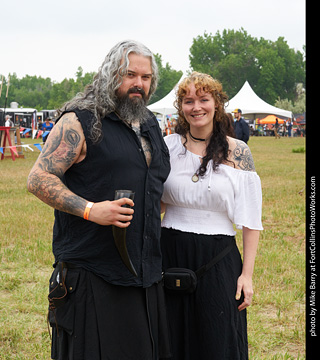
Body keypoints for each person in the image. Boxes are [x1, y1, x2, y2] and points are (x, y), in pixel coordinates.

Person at [27, 40, 171, 360]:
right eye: (130, 74)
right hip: (94, 274)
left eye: (146, 78)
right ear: (110, 74)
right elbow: (39, 179)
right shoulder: (81, 119)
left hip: (146, 273)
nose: (139, 84)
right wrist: (92, 210)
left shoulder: (149, 123)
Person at [160, 72, 263, 360]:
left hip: (218, 259)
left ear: (217, 104)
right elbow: (154, 204)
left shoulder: (238, 152)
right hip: (169, 253)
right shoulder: (167, 147)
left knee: (218, 340)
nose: (197, 107)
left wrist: (247, 275)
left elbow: (251, 221)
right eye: (188, 100)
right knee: (170, 339)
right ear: (181, 106)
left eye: (204, 99)